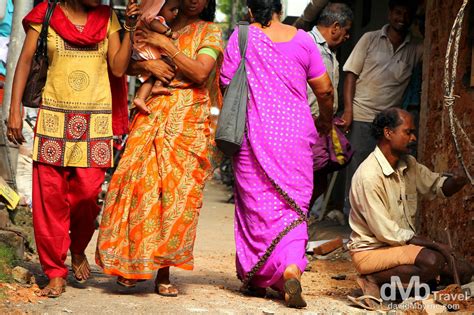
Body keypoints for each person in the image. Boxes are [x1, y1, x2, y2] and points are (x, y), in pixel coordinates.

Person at [6, 0, 137, 298]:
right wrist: (14, 108)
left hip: (95, 124)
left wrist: (129, 27)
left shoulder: (107, 19)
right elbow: (25, 60)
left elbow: (118, 68)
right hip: (53, 119)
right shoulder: (46, 14)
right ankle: (54, 271)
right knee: (49, 199)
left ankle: (77, 248)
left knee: (87, 195)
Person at [96, 0, 223, 298]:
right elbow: (124, 65)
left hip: (187, 118)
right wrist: (146, 64)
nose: (194, 0)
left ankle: (163, 271)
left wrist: (166, 44)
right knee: (135, 185)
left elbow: (200, 73)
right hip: (151, 110)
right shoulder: (154, 21)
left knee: (175, 195)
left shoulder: (210, 32)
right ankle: (130, 265)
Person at [221, 0, 334, 308]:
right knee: (293, 208)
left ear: (249, 10)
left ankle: (259, 277)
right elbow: (324, 89)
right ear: (279, 10)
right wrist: (325, 120)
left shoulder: (241, 37)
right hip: (294, 138)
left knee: (256, 209)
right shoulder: (303, 40)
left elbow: (227, 83)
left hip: (252, 137)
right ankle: (292, 268)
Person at [348, 108, 473, 307]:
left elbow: (438, 187)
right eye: (408, 132)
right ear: (388, 133)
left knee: (465, 270)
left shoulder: (409, 164)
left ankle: (410, 287)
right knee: (432, 261)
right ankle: (373, 279)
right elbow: (388, 233)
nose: (413, 138)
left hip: (401, 248)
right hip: (372, 251)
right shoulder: (369, 176)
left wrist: (459, 180)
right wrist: (434, 244)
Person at [342, 0, 423, 215]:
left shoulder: (415, 48)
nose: (402, 18)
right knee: (358, 169)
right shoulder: (370, 39)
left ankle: (377, 218)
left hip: (390, 124)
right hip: (362, 115)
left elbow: (437, 47)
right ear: (389, 13)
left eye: (407, 14)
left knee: (386, 171)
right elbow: (351, 74)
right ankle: (352, 217)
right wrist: (348, 111)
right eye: (398, 12)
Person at [305, 2, 352, 204]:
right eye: (346, 31)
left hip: (322, 125)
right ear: (335, 27)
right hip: (307, 124)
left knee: (319, 181)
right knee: (307, 179)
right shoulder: (306, 44)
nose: (348, 36)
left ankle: (298, 222)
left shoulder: (329, 51)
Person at [132, 0, 180, 114]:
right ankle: (151, 90)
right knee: (169, 63)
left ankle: (141, 97)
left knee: (153, 75)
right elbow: (153, 23)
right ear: (158, 8)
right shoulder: (156, 19)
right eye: (172, 10)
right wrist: (169, 33)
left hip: (144, 48)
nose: (175, 13)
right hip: (148, 49)